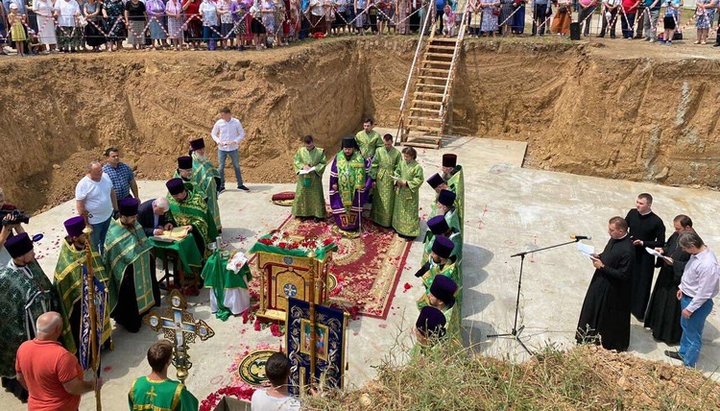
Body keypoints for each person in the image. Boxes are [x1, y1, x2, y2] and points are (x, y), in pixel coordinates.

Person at [0, 233, 69, 403]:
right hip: (25, 333)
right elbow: (7, 316)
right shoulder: (4, 279)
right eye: (31, 251)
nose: (34, 253)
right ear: (21, 256)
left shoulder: (32, 264)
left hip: (46, 324)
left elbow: (45, 285)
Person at [53, 216, 112, 357]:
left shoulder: (88, 247)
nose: (87, 237)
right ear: (74, 238)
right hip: (79, 304)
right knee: (84, 328)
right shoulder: (67, 261)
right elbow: (65, 285)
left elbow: (99, 267)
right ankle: (87, 354)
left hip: (96, 296)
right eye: (83, 235)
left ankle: (101, 343)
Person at [15, 312, 98, 411]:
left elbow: (20, 377)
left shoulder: (23, 348)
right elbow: (72, 387)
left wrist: (37, 393)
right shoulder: (62, 356)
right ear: (57, 329)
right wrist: (93, 385)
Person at [576, 216, 634, 352]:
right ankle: (587, 336)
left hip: (612, 289)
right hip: (601, 280)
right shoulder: (614, 239)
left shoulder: (628, 250)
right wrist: (599, 256)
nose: (609, 232)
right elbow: (609, 254)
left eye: (612, 230)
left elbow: (624, 275)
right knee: (592, 307)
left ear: (621, 231)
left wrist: (602, 267)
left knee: (604, 315)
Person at [104, 198, 160, 333]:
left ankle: (146, 309)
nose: (135, 219)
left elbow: (143, 241)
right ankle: (131, 320)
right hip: (127, 272)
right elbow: (113, 257)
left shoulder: (135, 223)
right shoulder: (113, 232)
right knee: (129, 295)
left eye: (135, 216)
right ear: (123, 216)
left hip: (143, 265)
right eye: (132, 217)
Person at [665, 232, 719, 368]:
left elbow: (704, 292)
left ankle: (689, 364)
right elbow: (690, 274)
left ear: (692, 245)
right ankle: (683, 353)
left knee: (693, 335)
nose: (683, 251)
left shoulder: (708, 265)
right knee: (687, 329)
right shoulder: (696, 255)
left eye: (685, 248)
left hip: (696, 303)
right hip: (687, 297)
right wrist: (682, 288)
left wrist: (690, 308)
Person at [644, 214, 693, 345]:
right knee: (661, 302)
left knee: (671, 308)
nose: (676, 231)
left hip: (677, 280)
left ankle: (668, 336)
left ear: (687, 228)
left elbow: (692, 265)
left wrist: (675, 263)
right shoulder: (678, 234)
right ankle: (657, 327)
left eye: (678, 229)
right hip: (666, 274)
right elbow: (669, 245)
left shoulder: (693, 242)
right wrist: (663, 250)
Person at [625, 193, 665, 322]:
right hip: (631, 252)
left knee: (642, 283)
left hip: (645, 257)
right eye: (637, 202)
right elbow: (624, 228)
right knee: (628, 278)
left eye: (641, 203)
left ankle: (638, 311)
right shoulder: (632, 213)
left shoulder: (657, 222)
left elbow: (661, 242)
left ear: (649, 205)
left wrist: (643, 243)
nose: (638, 205)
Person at [129, 341, 198, 410]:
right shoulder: (177, 391)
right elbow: (191, 407)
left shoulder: (136, 385)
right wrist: (185, 395)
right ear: (168, 361)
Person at [166, 178, 218, 256]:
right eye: (174, 196)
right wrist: (169, 222)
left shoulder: (197, 201)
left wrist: (192, 227)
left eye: (178, 195)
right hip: (177, 234)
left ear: (183, 191)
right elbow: (168, 214)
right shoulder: (170, 199)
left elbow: (203, 221)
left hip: (195, 234)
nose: (177, 198)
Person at [329, 137, 371, 233]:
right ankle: (342, 224)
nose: (347, 151)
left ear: (353, 148)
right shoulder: (338, 157)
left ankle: (354, 225)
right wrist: (334, 183)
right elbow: (334, 171)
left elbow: (367, 171)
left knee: (355, 206)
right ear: (342, 148)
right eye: (345, 149)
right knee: (341, 206)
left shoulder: (359, 157)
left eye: (349, 149)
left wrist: (363, 183)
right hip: (341, 188)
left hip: (355, 189)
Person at [76, 161, 117, 255]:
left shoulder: (105, 176)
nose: (101, 173)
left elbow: (112, 192)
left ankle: (105, 259)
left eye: (101, 170)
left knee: (107, 242)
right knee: (94, 245)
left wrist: (116, 209)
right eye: (97, 172)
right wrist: (86, 223)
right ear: (89, 172)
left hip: (108, 217)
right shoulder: (83, 184)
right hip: (94, 222)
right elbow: (80, 206)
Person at [211, 107, 250, 192]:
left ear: (229, 114)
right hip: (222, 149)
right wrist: (218, 141)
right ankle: (221, 186)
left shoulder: (236, 122)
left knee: (236, 166)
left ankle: (240, 185)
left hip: (233, 148)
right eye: (221, 115)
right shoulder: (219, 123)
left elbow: (242, 133)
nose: (222, 117)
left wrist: (235, 141)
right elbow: (213, 134)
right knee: (220, 167)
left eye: (223, 115)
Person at [292, 135, 328, 220]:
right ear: (304, 144)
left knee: (316, 196)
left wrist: (315, 168)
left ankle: (317, 215)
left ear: (313, 142)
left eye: (310, 145)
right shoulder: (300, 151)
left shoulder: (320, 152)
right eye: (307, 146)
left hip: (315, 177)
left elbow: (323, 162)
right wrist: (302, 166)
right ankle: (303, 214)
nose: (309, 147)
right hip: (303, 177)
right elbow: (296, 161)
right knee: (302, 194)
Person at [190, 138, 222, 232]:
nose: (202, 151)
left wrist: (217, 185)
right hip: (202, 193)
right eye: (199, 150)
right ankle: (208, 229)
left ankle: (217, 227)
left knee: (214, 209)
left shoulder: (205, 160)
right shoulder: (192, 164)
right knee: (205, 211)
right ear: (194, 150)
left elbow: (214, 172)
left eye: (203, 148)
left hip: (211, 191)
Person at [369, 134, 400, 228]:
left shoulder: (397, 153)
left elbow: (399, 167)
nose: (387, 146)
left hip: (390, 179)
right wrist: (373, 179)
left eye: (389, 144)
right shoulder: (379, 151)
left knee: (388, 200)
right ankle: (376, 218)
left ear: (392, 142)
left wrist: (396, 179)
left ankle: (386, 221)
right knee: (378, 198)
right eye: (385, 144)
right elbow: (374, 164)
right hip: (380, 177)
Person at [391, 147, 423, 240]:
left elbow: (419, 179)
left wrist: (407, 183)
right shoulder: (402, 163)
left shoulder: (417, 167)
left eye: (407, 156)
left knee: (409, 212)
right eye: (404, 156)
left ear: (412, 156)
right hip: (401, 191)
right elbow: (397, 171)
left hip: (410, 193)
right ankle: (400, 229)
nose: (405, 158)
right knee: (400, 210)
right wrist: (396, 179)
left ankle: (410, 233)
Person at [0, 187, 26, 266]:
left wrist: (26, 243)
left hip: (13, 247)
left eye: (1, 201)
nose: (0, 204)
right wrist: (6, 229)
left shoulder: (8, 209)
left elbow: (19, 229)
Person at [440, 153, 464, 231]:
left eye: (445, 168)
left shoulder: (456, 179)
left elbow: (456, 193)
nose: (443, 170)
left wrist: (446, 188)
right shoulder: (445, 175)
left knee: (449, 226)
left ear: (450, 169)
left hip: (451, 208)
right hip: (442, 204)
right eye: (443, 167)